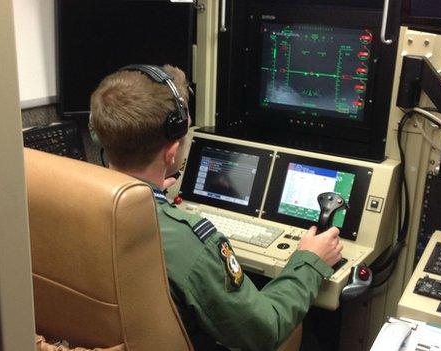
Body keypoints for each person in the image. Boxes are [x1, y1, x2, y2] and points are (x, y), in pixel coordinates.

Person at [89, 64, 343, 351]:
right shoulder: (188, 241)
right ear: (172, 151)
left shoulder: (72, 202)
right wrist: (309, 260)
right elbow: (264, 329)